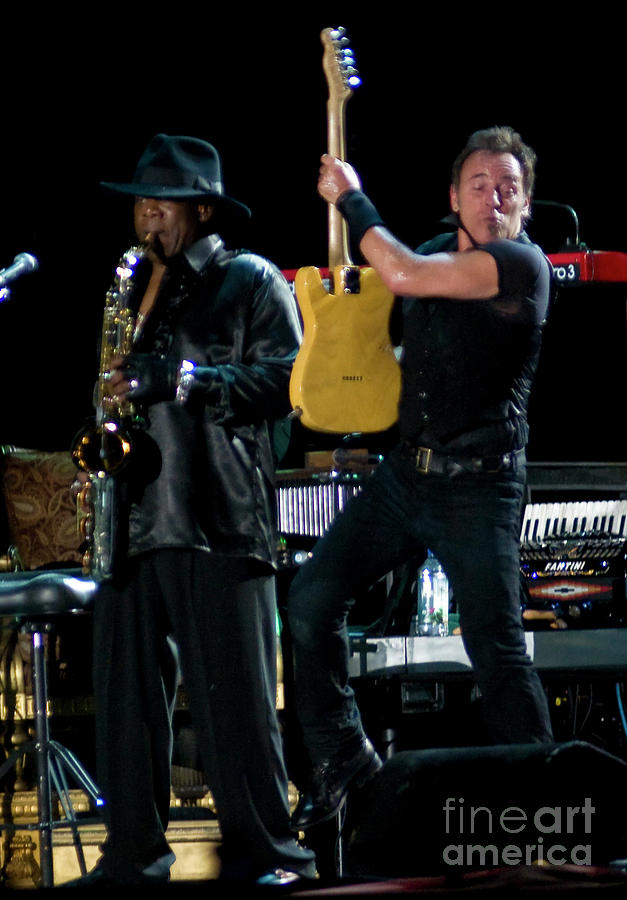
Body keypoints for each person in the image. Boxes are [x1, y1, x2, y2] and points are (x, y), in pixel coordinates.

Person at [288, 126, 555, 831]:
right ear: (453, 198)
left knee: (494, 649)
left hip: (479, 488)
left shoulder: (520, 267)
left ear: (524, 206)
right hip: (407, 477)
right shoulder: (438, 255)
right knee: (312, 599)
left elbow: (400, 273)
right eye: (478, 186)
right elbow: (378, 312)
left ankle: (545, 804)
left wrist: (351, 200)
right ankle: (342, 764)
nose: (493, 200)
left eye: (508, 189)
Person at [70, 134, 316, 887]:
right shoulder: (133, 284)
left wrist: (173, 378)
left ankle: (270, 858)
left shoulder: (249, 281)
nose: (146, 212)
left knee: (235, 708)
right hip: (134, 520)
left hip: (214, 518)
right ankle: (132, 855)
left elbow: (286, 382)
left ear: (202, 210)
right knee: (125, 705)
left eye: (162, 201)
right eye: (140, 200)